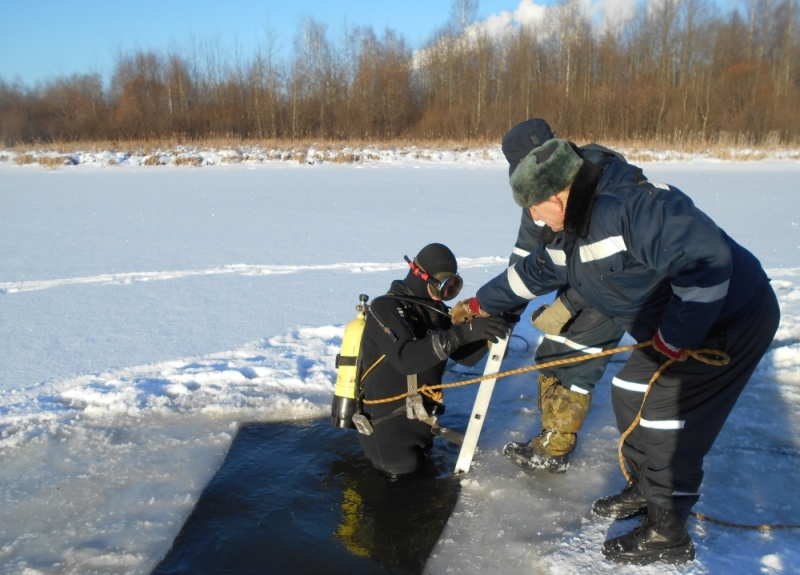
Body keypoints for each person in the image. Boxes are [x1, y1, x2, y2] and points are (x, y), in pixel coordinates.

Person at [455, 138, 780, 564]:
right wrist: (480, 303)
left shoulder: (631, 208)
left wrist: (676, 338)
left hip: (728, 319)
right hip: (678, 327)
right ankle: (646, 489)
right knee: (628, 388)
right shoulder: (570, 228)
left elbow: (707, 262)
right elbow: (534, 272)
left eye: (535, 207)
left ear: (557, 196)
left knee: (665, 416)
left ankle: (668, 534)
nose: (533, 217)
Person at [498, 119, 627, 473]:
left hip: (617, 284)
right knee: (552, 351)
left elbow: (609, 269)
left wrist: (568, 305)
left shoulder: (597, 183)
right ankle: (552, 433)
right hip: (581, 276)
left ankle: (556, 449)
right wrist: (503, 304)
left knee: (578, 357)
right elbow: (526, 252)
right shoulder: (538, 190)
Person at [357, 243, 512, 476]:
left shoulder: (436, 312)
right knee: (399, 483)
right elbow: (406, 358)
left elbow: (463, 357)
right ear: (421, 276)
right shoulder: (385, 308)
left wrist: (486, 337)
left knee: (422, 478)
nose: (446, 295)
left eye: (453, 287)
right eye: (443, 287)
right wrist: (462, 333)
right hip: (386, 428)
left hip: (421, 420)